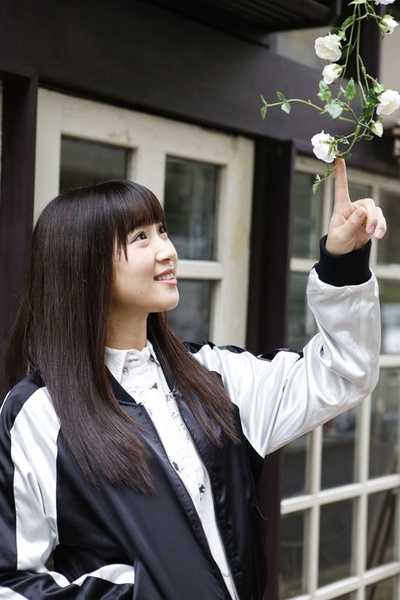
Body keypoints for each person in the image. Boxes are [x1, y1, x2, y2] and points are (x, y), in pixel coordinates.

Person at [0, 158, 386, 600]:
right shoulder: (39, 413)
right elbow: (10, 581)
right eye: (141, 237)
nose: (168, 250)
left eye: (162, 230)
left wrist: (343, 263)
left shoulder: (213, 375)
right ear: (83, 264)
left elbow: (342, 373)